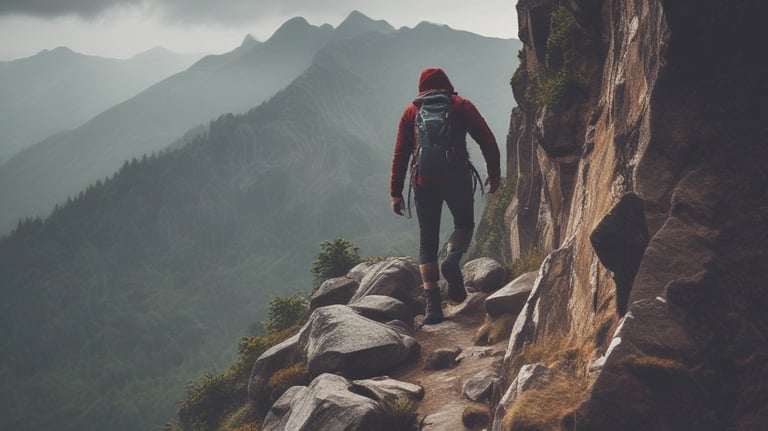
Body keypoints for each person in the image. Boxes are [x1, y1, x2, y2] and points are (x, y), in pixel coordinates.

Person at [390, 67, 501, 324]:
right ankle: (452, 259)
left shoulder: (411, 112)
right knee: (463, 224)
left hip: (423, 182)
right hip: (458, 178)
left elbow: (400, 153)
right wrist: (494, 175)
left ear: (421, 88)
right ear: (447, 84)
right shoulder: (461, 105)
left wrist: (396, 192)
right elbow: (487, 140)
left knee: (427, 241)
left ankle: (433, 307)